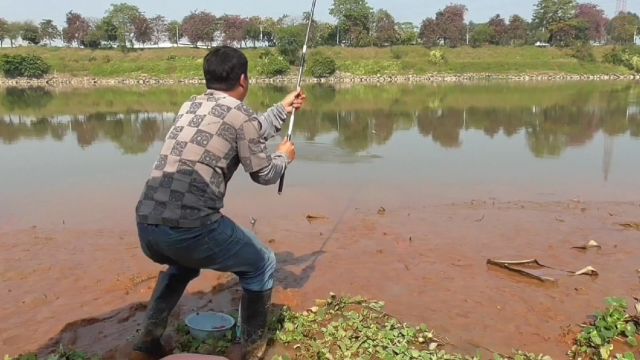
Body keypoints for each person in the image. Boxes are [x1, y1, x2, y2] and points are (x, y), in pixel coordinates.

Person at [131, 46, 305, 360]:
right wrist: (284, 157)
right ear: (243, 79)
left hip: (147, 226)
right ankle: (253, 349)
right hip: (191, 229)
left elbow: (244, 131)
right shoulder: (241, 116)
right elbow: (263, 173)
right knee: (262, 263)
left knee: (181, 267)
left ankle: (148, 341)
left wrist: (282, 109)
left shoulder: (192, 105)